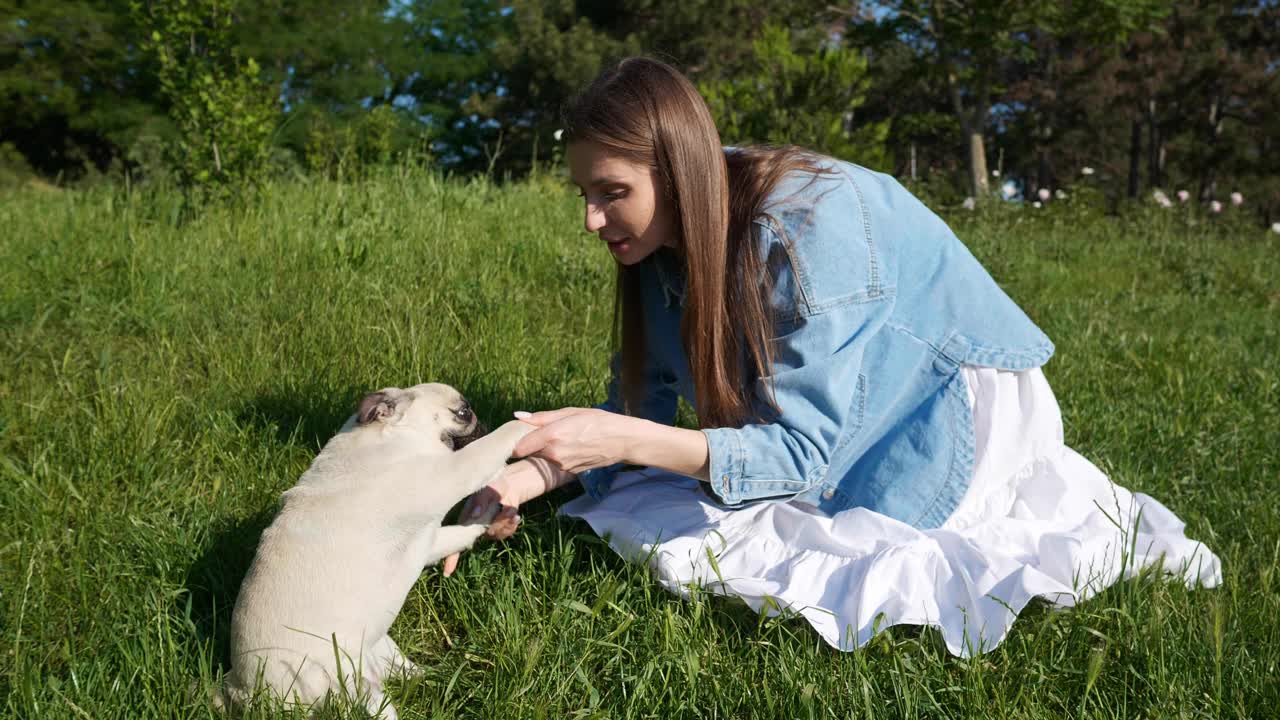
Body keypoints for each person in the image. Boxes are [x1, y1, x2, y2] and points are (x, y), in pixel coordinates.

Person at [437, 58, 1216, 656]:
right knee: (712, 514)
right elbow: (632, 405)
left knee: (874, 546)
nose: (589, 218)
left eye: (611, 192)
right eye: (583, 192)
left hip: (932, 390)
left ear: (677, 172)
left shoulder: (804, 229)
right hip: (833, 390)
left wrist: (626, 443)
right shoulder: (660, 246)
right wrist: (519, 479)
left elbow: (798, 454)